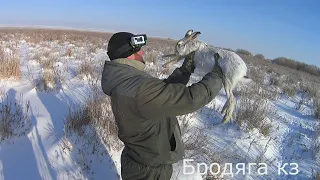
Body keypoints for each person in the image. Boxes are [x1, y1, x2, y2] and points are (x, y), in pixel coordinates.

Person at [101, 32, 223, 180]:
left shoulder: (124, 80)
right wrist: (218, 75)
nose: (142, 52)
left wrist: (185, 70)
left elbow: (161, 93)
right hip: (149, 172)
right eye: (138, 49)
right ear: (129, 54)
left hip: (138, 161)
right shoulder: (138, 88)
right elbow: (190, 99)